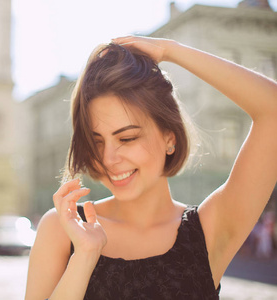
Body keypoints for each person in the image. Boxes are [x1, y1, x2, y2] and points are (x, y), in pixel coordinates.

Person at [25, 35, 277, 300]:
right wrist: (85, 256)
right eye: (97, 141)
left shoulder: (209, 230)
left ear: (170, 137)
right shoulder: (63, 229)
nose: (109, 158)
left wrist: (171, 50)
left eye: (127, 138)